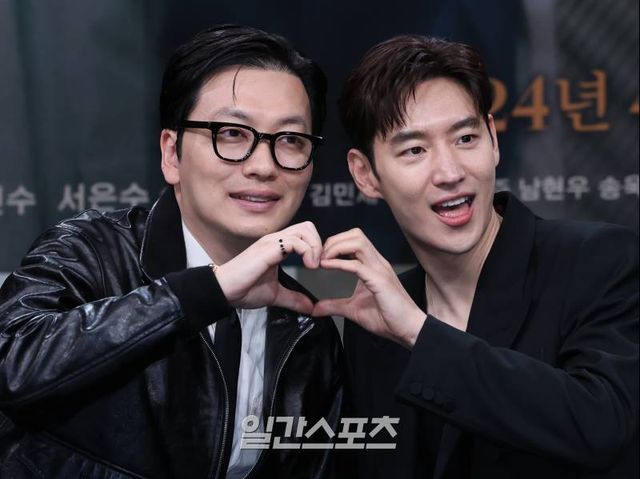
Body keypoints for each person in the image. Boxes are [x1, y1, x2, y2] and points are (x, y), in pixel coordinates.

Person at [0, 25, 343, 478]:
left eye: (291, 140)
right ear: (172, 154)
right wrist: (207, 290)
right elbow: (13, 368)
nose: (263, 166)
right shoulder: (91, 250)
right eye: (231, 133)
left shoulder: (306, 329)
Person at [312, 34, 639, 478]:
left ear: (494, 139)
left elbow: (602, 426)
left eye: (466, 138)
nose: (450, 172)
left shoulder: (598, 261)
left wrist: (417, 332)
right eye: (414, 150)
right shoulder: (372, 324)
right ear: (365, 174)